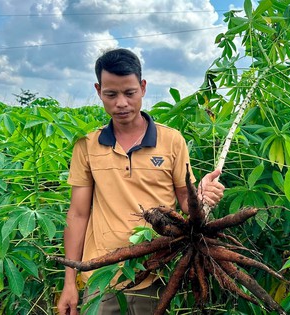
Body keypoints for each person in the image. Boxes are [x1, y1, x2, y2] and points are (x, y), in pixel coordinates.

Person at [57, 48, 225, 315]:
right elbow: (77, 215)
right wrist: (69, 282)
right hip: (101, 276)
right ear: (99, 90)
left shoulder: (172, 141)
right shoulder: (86, 145)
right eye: (111, 94)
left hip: (157, 273)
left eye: (130, 93)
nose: (121, 103)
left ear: (143, 88)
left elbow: (184, 199)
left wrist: (200, 196)